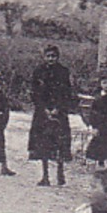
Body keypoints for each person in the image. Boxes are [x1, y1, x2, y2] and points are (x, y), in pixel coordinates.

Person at [29, 44, 76, 187]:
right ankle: (45, 176)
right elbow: (34, 92)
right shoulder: (38, 71)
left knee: (59, 143)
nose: (51, 59)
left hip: (59, 113)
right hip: (42, 113)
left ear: (58, 57)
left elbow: (67, 93)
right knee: (43, 143)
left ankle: (60, 174)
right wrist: (44, 109)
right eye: (48, 56)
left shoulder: (63, 72)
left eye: (53, 56)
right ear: (44, 57)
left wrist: (58, 108)